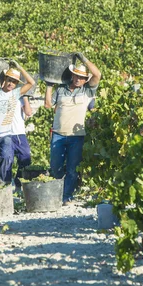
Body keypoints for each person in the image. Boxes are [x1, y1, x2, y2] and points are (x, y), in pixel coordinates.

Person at [45, 52, 101, 205]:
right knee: (55, 167)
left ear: (85, 80)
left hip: (77, 136)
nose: (78, 79)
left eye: (82, 77)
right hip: (58, 134)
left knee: (72, 169)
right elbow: (48, 105)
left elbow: (97, 74)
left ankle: (66, 196)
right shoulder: (61, 90)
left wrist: (83, 58)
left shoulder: (87, 91)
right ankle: (57, 193)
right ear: (72, 75)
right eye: (76, 76)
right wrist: (49, 87)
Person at [11, 95, 34, 188]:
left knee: (26, 159)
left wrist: (25, 97)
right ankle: (5, 184)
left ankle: (18, 182)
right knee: (6, 160)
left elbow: (28, 112)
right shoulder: (0, 95)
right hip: (4, 134)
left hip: (19, 133)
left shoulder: (20, 97)